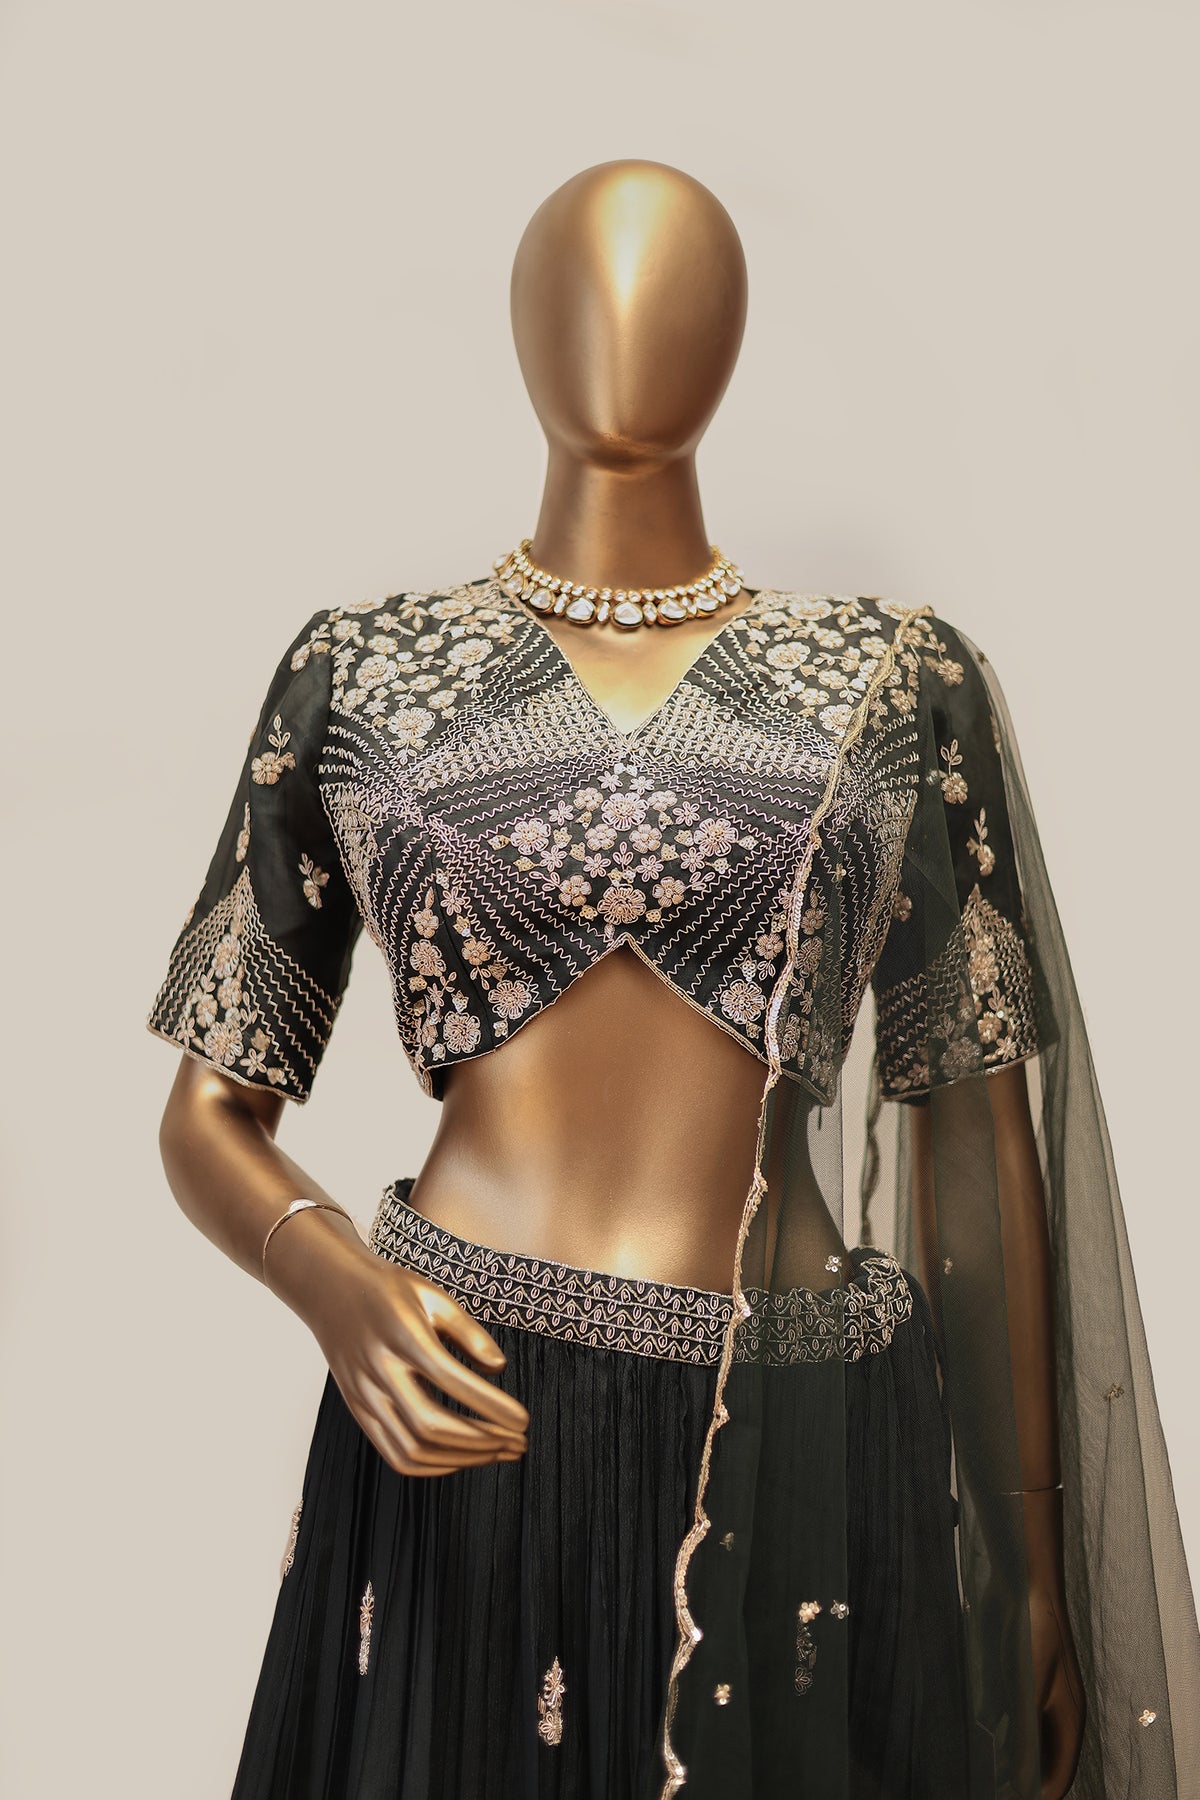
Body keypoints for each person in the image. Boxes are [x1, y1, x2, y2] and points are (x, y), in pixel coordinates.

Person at [146, 160, 1200, 1800]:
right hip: (467, 1404)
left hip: (813, 1431)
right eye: (585, 292)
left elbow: (979, 1137)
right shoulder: (359, 671)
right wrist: (335, 1287)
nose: (630, 331)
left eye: (676, 292)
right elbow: (211, 1109)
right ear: (522, 327)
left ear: (734, 335)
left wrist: (1033, 1562)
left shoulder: (900, 681)